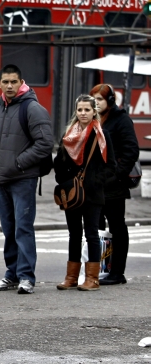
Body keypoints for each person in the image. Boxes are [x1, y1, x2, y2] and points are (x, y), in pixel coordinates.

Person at [0, 64, 54, 295]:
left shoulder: (32, 108)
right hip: (2, 178)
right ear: (0, 84)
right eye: (6, 82)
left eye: (14, 81)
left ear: (21, 82)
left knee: (23, 228)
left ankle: (26, 277)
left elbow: (45, 143)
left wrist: (19, 163)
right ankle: (11, 274)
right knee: (8, 228)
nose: (10, 86)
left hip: (23, 178)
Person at [54, 94, 115, 292]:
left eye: (87, 110)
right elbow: (59, 162)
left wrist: (94, 182)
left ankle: (92, 278)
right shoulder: (69, 134)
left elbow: (111, 166)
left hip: (92, 194)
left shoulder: (101, 135)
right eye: (80, 109)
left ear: (94, 111)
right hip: (72, 193)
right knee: (74, 234)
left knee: (91, 234)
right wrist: (64, 181)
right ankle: (71, 277)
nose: (83, 113)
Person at [91, 84, 138, 286]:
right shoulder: (92, 119)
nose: (96, 103)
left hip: (114, 184)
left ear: (110, 101)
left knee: (117, 227)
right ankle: (101, 269)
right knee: (97, 227)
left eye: (100, 99)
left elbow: (131, 151)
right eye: (94, 99)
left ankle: (117, 272)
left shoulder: (121, 120)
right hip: (95, 183)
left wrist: (116, 175)